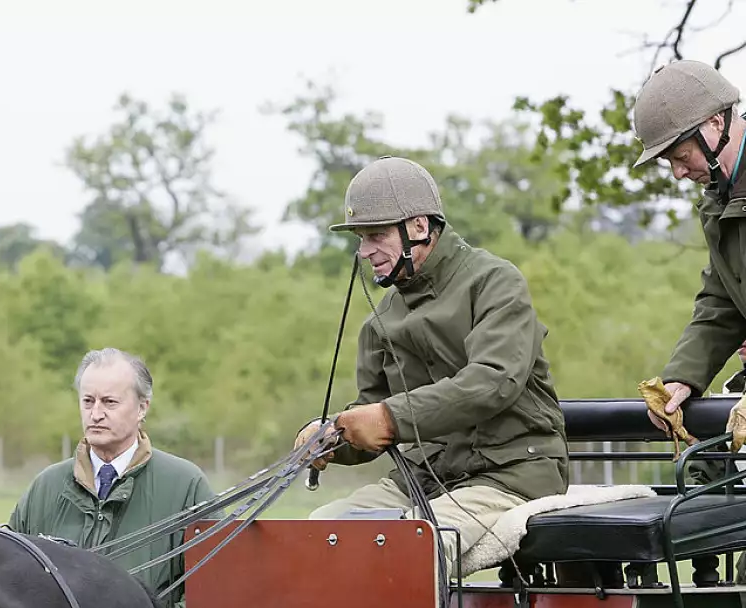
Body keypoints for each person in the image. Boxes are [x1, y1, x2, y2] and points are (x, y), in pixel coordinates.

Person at [293, 156, 569, 573]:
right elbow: (370, 414)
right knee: (318, 533)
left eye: (376, 235)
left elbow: (494, 381)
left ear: (419, 227)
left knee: (411, 553)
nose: (364, 251)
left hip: (510, 473)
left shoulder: (495, 282)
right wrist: (330, 436)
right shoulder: (380, 320)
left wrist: (387, 419)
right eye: (360, 238)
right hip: (423, 482)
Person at [9, 348, 214, 608]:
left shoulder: (187, 487)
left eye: (109, 402)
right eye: (88, 401)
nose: (96, 414)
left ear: (142, 408)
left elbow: (214, 598)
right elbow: (8, 584)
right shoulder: (46, 488)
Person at [629, 60, 746, 432]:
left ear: (716, 123)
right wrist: (683, 377)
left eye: (682, 156)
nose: (678, 173)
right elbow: (722, 300)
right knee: (706, 474)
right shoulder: (721, 200)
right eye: (670, 162)